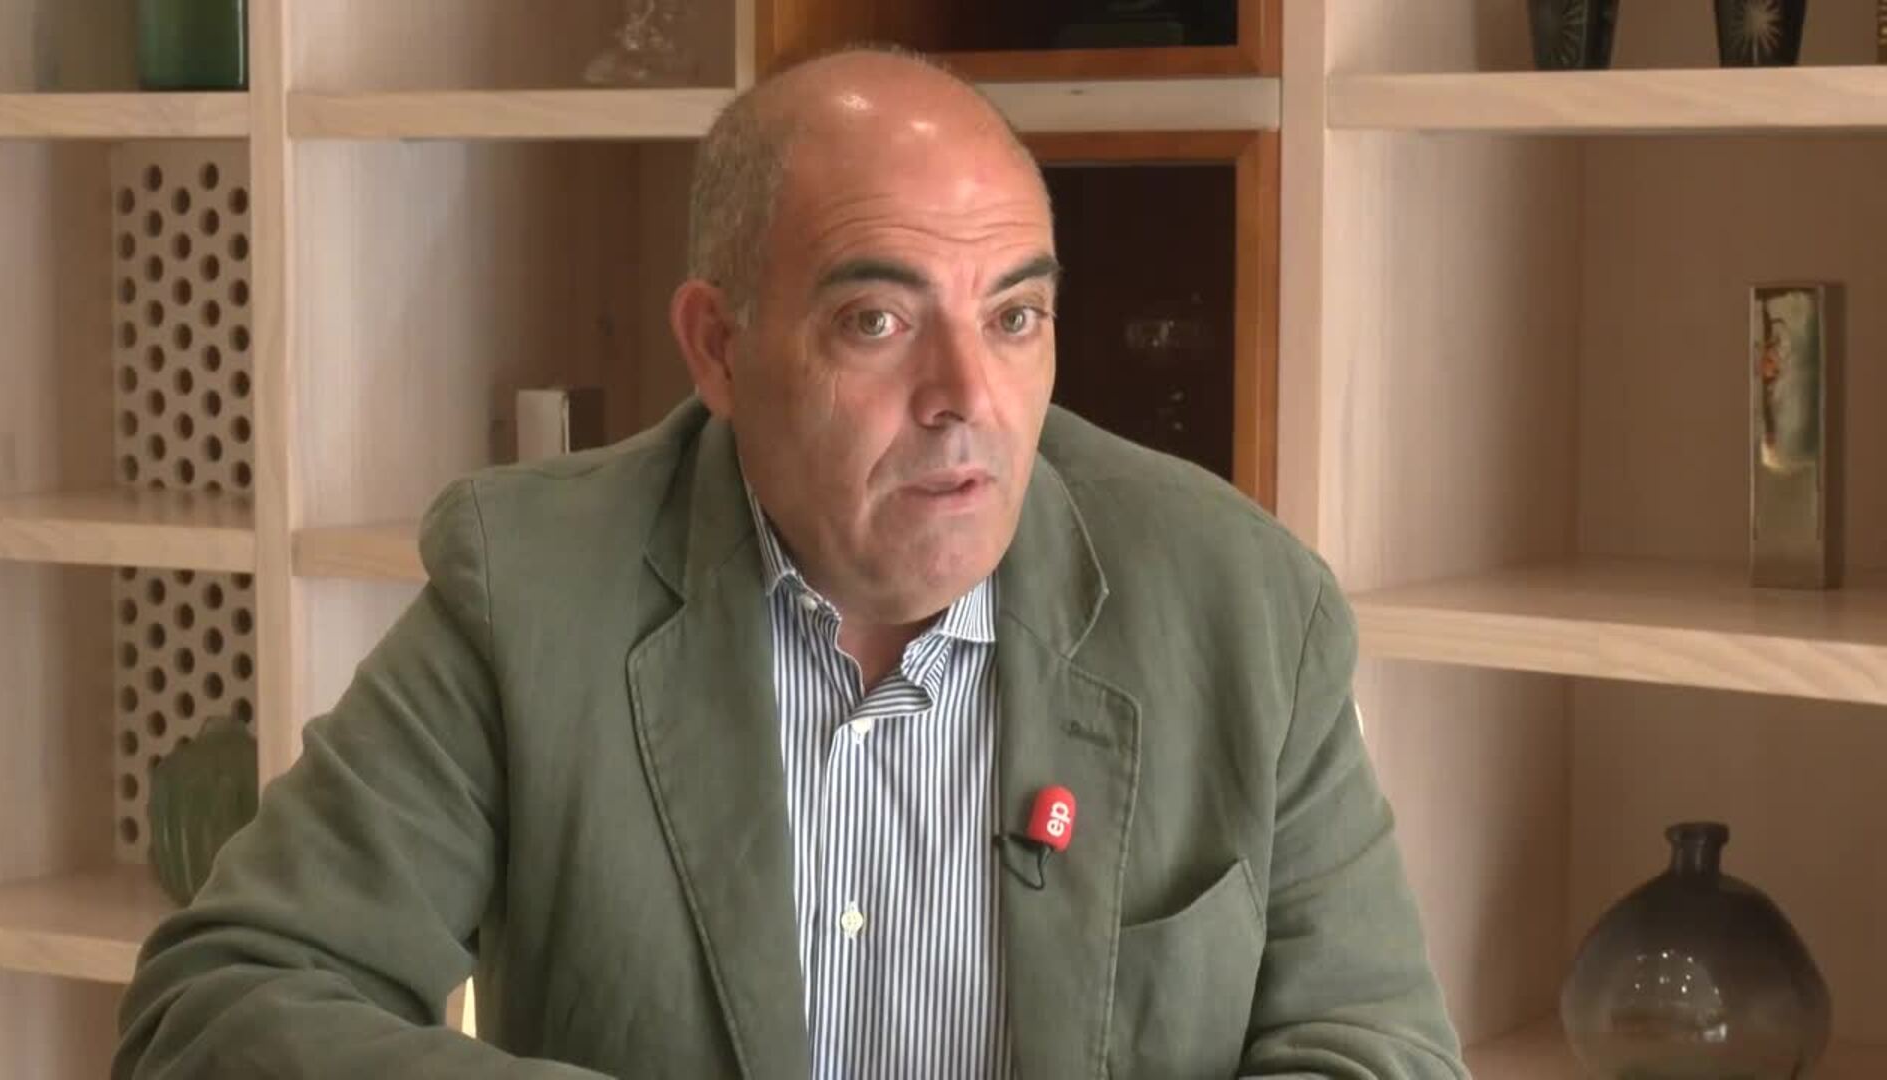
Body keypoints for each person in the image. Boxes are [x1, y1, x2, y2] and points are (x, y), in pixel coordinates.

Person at [114, 46, 1465, 1080]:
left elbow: (1379, 1050)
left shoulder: (1243, 605)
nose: (967, 397)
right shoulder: (528, 592)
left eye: (1015, 317)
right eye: (878, 320)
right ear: (718, 347)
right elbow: (220, 1006)